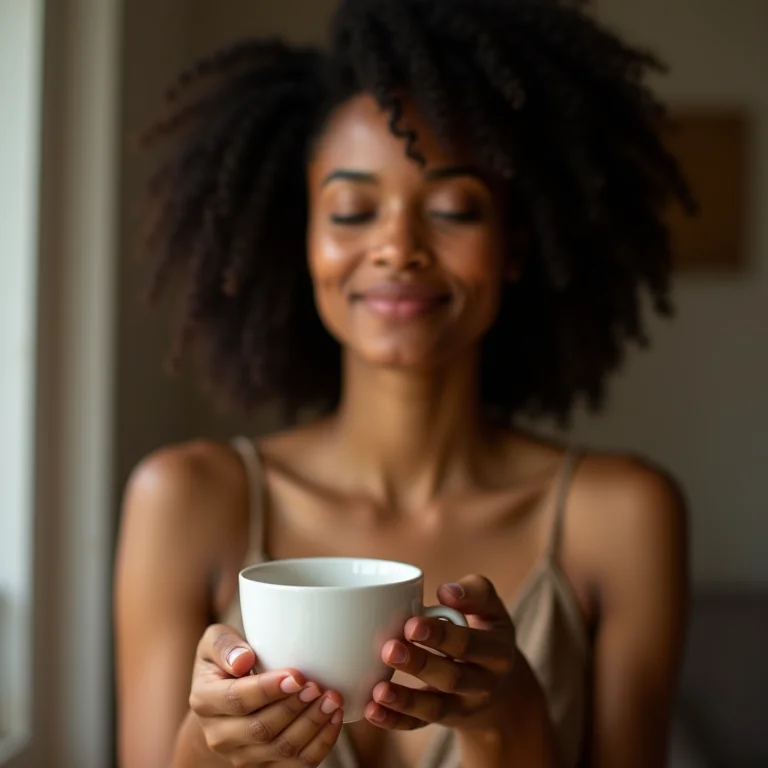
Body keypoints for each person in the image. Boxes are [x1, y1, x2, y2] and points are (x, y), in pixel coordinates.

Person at [114, 1, 693, 766]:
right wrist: (209, 740)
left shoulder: (622, 518)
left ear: (514, 243)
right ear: (305, 241)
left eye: (455, 208)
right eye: (353, 210)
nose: (398, 248)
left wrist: (506, 713)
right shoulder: (186, 500)